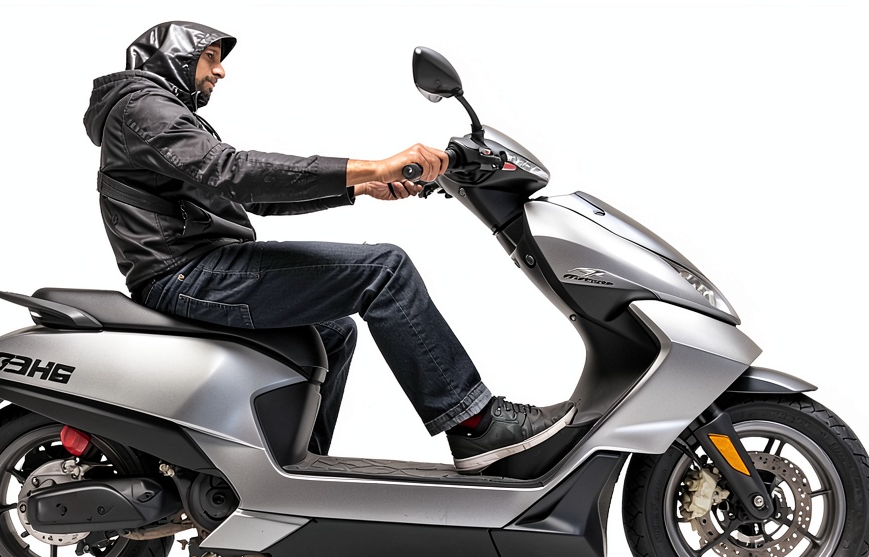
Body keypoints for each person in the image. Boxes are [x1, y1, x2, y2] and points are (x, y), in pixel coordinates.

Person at [83, 20, 574, 473]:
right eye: (210, 58)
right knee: (384, 270)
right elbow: (234, 172)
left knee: (333, 332)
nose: (220, 71)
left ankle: (298, 470)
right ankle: (476, 424)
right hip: (186, 273)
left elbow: (255, 199)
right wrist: (374, 166)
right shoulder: (143, 106)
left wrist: (360, 187)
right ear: (176, 55)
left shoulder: (160, 115)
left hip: (196, 268)